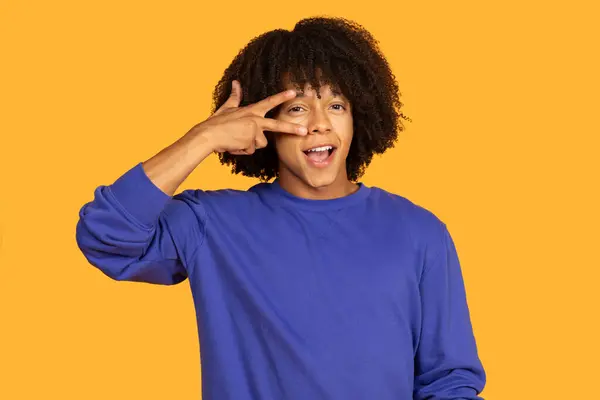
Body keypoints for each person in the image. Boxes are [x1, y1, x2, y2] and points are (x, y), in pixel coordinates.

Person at [76, 16, 486, 400]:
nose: (320, 123)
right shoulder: (210, 224)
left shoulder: (419, 232)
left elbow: (450, 380)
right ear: (265, 123)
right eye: (298, 108)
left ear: (360, 116)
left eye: (337, 105)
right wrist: (201, 139)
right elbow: (107, 235)